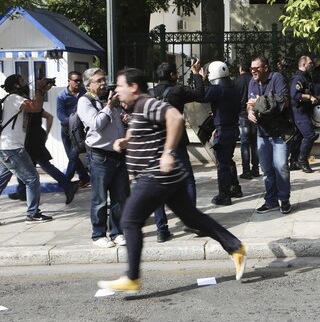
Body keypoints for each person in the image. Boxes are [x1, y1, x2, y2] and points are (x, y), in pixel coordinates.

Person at [97, 68, 246, 292]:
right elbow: (142, 131)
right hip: (165, 177)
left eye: (119, 86)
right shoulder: (139, 108)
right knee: (192, 218)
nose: (116, 90)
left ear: (133, 87)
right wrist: (125, 141)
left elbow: (175, 117)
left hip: (154, 175)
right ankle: (235, 247)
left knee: (129, 221)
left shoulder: (147, 103)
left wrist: (167, 152)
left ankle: (132, 277)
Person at [151, 61, 204, 242]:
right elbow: (199, 93)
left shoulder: (149, 94)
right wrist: (196, 73)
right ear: (172, 75)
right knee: (187, 180)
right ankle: (192, 222)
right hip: (177, 143)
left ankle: (161, 229)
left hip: (156, 145)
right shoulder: (177, 91)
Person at [78, 68, 128, 248]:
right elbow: (96, 124)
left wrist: (124, 119)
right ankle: (98, 234)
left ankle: (117, 232)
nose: (103, 83)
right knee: (99, 199)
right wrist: (109, 107)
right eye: (98, 80)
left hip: (118, 154)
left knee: (119, 197)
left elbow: (115, 123)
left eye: (103, 79)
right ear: (88, 84)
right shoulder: (85, 102)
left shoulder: (109, 98)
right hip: (100, 156)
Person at [0, 75, 54, 224]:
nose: (26, 84)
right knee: (32, 179)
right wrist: (39, 89)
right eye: (23, 81)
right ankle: (33, 214)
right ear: (17, 85)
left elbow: (35, 107)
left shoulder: (13, 99)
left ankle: (33, 213)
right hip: (12, 147)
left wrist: (41, 91)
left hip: (6, 147)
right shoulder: (14, 98)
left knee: (1, 181)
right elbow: (36, 107)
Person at [247, 55, 293, 214]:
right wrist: (249, 112)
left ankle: (284, 199)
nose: (253, 71)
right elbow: (249, 103)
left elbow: (284, 101)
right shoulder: (252, 82)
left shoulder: (276, 78)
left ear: (265, 67)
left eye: (256, 68)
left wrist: (260, 101)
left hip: (279, 132)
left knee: (281, 166)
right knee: (266, 169)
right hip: (262, 133)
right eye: (251, 68)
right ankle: (271, 201)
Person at [196, 60, 243, 206]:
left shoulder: (217, 89)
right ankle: (235, 188)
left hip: (223, 131)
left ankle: (224, 195)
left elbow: (200, 96)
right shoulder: (232, 87)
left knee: (222, 163)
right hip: (233, 129)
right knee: (228, 160)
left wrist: (198, 77)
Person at [56, 70, 90, 189]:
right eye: (76, 80)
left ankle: (66, 180)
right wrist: (71, 123)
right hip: (66, 129)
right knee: (71, 156)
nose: (78, 83)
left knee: (73, 155)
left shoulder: (84, 93)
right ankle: (84, 177)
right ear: (69, 81)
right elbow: (60, 114)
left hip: (79, 131)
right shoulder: (62, 95)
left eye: (80, 81)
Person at [288, 55, 319, 173]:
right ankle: (303, 160)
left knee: (297, 137)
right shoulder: (298, 78)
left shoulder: (306, 77)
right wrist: (309, 97)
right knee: (310, 135)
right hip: (299, 111)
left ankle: (293, 161)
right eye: (310, 63)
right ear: (304, 64)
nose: (312, 64)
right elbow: (295, 95)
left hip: (304, 111)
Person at [235, 61, 260, 180]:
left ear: (240, 68)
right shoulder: (253, 80)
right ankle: (255, 169)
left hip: (242, 114)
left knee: (245, 143)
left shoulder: (237, 81)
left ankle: (246, 170)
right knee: (254, 142)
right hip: (254, 112)